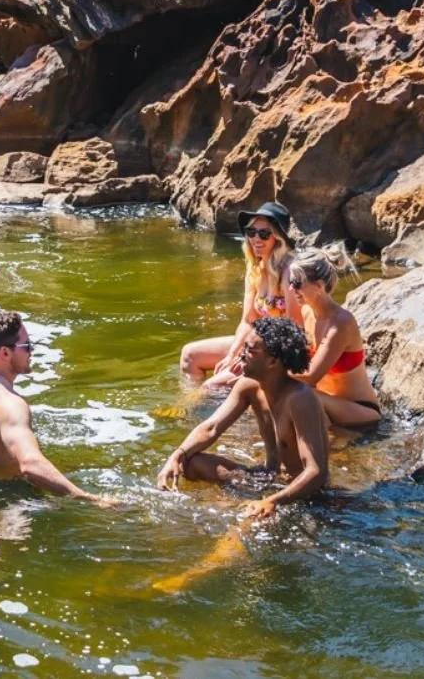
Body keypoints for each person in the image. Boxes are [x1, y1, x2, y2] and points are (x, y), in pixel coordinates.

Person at [157, 315, 329, 520]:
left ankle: (236, 509)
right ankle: (230, 505)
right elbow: (211, 427)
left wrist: (272, 501)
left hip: (297, 494)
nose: (241, 354)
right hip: (265, 478)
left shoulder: (300, 399)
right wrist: (177, 455)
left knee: (247, 525)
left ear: (273, 361)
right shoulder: (249, 386)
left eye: (249, 349)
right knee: (190, 463)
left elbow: (316, 471)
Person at [0, 310, 108, 502]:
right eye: (26, 346)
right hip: (1, 506)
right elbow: (30, 464)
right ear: (5, 352)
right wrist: (89, 498)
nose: (32, 351)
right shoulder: (9, 403)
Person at [179, 201, 301, 386]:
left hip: (281, 351)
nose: (256, 239)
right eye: (251, 232)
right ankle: (189, 406)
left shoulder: (289, 271)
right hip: (258, 344)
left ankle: (218, 409)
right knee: (190, 355)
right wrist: (233, 354)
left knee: (213, 385)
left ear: (278, 238)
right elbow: (248, 321)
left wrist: (247, 357)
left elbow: (295, 330)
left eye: (264, 233)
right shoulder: (255, 269)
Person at [287, 247, 381, 428]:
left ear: (319, 286)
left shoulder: (341, 323)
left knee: (301, 393)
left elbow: (310, 377)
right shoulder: (307, 312)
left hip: (360, 411)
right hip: (327, 404)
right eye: (291, 282)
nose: (291, 289)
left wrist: (265, 371)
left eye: (297, 283)